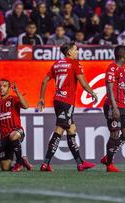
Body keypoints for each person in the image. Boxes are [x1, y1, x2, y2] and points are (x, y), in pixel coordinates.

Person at [37, 42, 98, 172]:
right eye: (76, 50)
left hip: (57, 101)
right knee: (59, 129)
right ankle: (46, 163)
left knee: (71, 129)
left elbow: (44, 81)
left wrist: (41, 98)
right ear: (69, 52)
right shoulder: (74, 63)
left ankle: (80, 163)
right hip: (66, 101)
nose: (77, 52)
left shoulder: (57, 64)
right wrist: (92, 93)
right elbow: (82, 82)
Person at [101, 45, 125, 172]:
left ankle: (107, 157)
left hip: (121, 105)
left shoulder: (121, 69)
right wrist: (114, 107)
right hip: (113, 106)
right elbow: (109, 89)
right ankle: (109, 164)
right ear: (123, 56)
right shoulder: (112, 68)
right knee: (114, 134)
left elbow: (120, 87)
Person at [0, 79, 33, 172]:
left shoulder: (14, 99)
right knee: (4, 168)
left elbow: (26, 106)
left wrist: (17, 92)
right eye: (0, 86)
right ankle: (23, 160)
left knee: (13, 136)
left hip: (17, 131)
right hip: (4, 138)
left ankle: (19, 162)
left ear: (9, 88)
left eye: (4, 86)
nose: (1, 88)